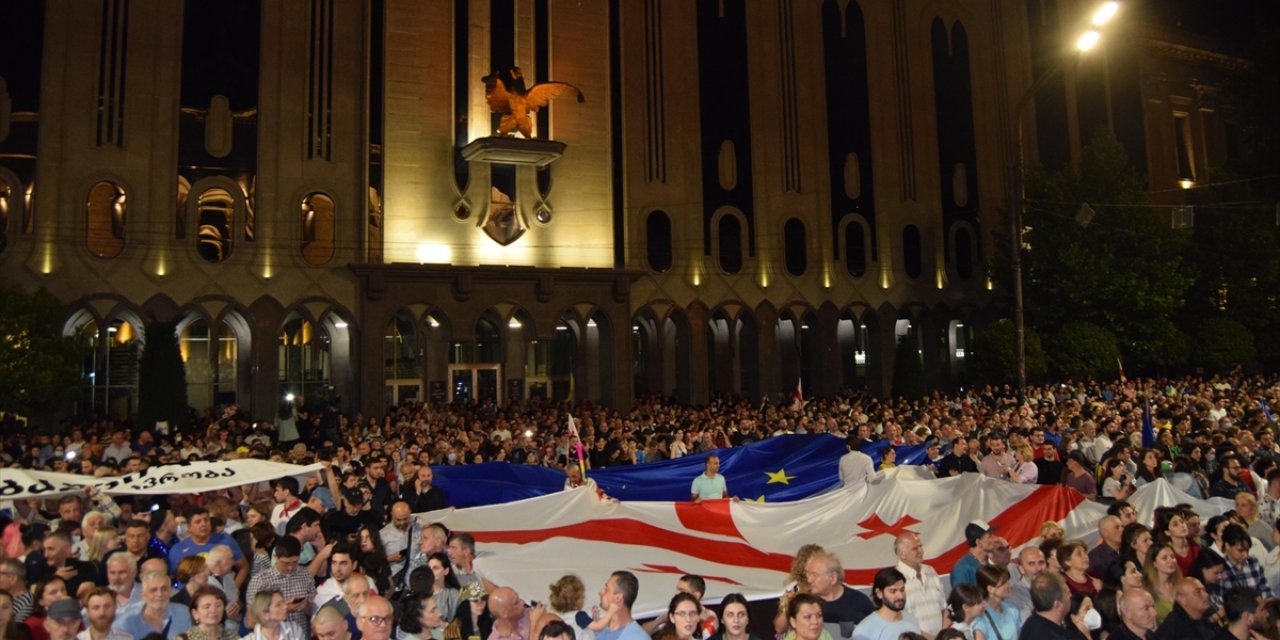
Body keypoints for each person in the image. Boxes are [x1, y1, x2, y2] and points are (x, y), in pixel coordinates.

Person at [244, 536, 315, 634]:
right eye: (285, 563)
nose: (290, 567)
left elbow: (313, 612)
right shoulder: (260, 580)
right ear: (275, 557)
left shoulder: (305, 575)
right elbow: (250, 621)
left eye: (295, 562)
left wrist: (305, 605)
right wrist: (283, 609)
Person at [804, 552, 874, 640]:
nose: (809, 580)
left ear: (833, 578)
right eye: (808, 575)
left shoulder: (860, 602)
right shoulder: (804, 603)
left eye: (814, 575)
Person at [112, 571, 193, 638]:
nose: (159, 594)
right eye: (153, 590)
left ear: (170, 592)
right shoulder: (125, 620)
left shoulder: (184, 613)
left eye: (164, 589)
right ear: (143, 594)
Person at [894, 533, 944, 637]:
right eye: (915, 548)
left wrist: (944, 635)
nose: (921, 551)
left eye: (920, 546)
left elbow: (944, 608)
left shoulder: (930, 571)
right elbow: (898, 619)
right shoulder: (894, 579)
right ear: (902, 554)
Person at [851, 568, 918, 640]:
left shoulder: (911, 618)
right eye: (893, 591)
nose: (900, 596)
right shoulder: (864, 631)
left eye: (902, 590)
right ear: (879, 593)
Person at [1018, 574, 1084, 640]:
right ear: (1058, 605)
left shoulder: (1032, 621)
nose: (1070, 595)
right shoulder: (1048, 636)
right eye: (1068, 593)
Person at [1152, 577, 1217, 640]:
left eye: (1204, 590)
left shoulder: (1202, 619)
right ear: (1182, 599)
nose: (1206, 595)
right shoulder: (1172, 627)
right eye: (1198, 592)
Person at [487, 586, 560, 640]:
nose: (522, 602)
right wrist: (533, 623)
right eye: (516, 602)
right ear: (504, 613)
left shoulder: (526, 610)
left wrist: (542, 612)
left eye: (518, 597)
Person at [594, 571, 648, 640]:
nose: (600, 592)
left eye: (606, 589)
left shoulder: (637, 638)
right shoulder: (598, 630)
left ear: (618, 598)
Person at [973, 565, 1020, 640]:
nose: (1009, 585)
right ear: (990, 589)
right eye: (1004, 583)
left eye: (1008, 581)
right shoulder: (980, 616)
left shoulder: (1012, 609)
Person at [547, 574, 593, 640]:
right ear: (578, 600)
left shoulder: (555, 616)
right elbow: (596, 627)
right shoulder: (579, 616)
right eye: (582, 596)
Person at [1008, 547, 1046, 622]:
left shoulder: (1054, 587)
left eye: (1041, 563)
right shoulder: (1015, 594)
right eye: (1031, 564)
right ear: (1021, 569)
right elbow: (1029, 625)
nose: (1038, 568)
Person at [1145, 544, 1182, 623]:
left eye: (1172, 557)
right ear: (1154, 563)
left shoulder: (1181, 585)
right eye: (1164, 558)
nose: (1171, 561)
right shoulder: (1146, 590)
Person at [952, 521, 995, 587]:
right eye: (989, 536)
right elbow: (961, 596)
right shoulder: (962, 569)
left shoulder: (992, 562)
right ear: (978, 542)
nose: (994, 539)